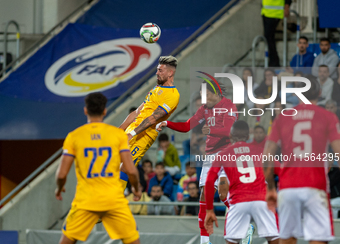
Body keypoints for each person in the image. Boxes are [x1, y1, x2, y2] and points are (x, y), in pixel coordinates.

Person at [156, 80, 238, 244]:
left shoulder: (229, 106)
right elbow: (187, 125)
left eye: (207, 94)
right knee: (204, 194)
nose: (205, 97)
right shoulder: (204, 109)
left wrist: (212, 130)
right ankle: (204, 240)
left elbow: (231, 131)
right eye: (203, 94)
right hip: (210, 157)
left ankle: (241, 221)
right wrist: (167, 123)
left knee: (223, 194)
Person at [55, 92, 141, 244]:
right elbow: (131, 170)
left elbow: (61, 174)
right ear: (105, 111)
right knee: (133, 241)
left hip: (86, 200)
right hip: (113, 199)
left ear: (85, 111)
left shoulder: (74, 136)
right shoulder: (117, 135)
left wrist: (59, 188)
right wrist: (136, 188)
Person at [264, 76, 340, 244]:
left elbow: (267, 156)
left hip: (287, 186)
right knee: (319, 239)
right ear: (320, 93)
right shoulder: (328, 117)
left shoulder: (282, 118)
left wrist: (270, 188)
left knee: (287, 239)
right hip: (315, 185)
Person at [204, 121, 279, 244]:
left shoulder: (223, 155)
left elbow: (209, 181)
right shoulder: (260, 151)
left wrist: (209, 210)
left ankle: (246, 230)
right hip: (261, 200)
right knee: (275, 240)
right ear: (248, 136)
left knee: (231, 241)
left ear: (231, 136)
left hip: (238, 202)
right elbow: (281, 170)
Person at [119, 56, 180, 190]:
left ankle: (115, 198)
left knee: (125, 167)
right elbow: (137, 112)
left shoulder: (173, 95)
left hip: (144, 135)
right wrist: (120, 129)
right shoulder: (155, 89)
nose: (157, 73)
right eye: (157, 70)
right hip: (132, 129)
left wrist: (132, 134)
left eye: (160, 70)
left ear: (170, 73)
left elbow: (153, 118)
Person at [261, 0, 292, 67]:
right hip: (266, 13)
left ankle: (274, 62)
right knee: (268, 37)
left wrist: (286, 8)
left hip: (276, 13)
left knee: (269, 36)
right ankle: (272, 61)